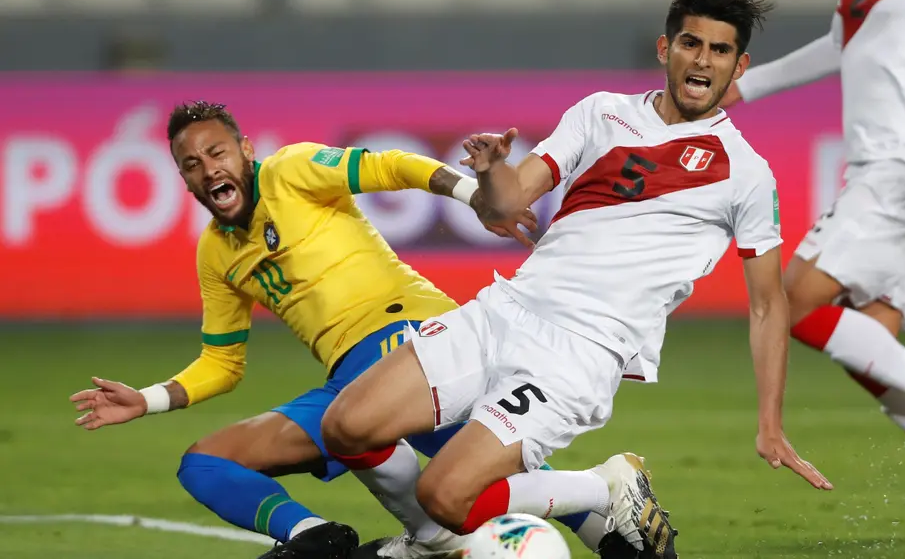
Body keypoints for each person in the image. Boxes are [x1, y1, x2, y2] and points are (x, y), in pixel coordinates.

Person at [316, 0, 833, 558]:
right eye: (691, 43)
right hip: (505, 310)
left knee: (447, 494)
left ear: (739, 68)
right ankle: (434, 547)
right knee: (346, 426)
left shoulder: (745, 172)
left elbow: (768, 302)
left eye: (720, 51)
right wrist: (491, 169)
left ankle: (603, 488)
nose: (703, 60)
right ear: (666, 49)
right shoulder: (600, 113)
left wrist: (770, 422)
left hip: (577, 354)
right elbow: (509, 203)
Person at [68, 101, 601, 559]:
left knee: (469, 449)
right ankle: (317, 539)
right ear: (182, 178)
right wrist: (148, 399)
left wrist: (473, 196)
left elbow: (392, 167)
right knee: (205, 464)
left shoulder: (292, 170)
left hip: (411, 331)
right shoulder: (216, 253)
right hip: (347, 380)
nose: (209, 170)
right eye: (192, 164)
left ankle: (584, 513)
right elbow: (222, 364)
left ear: (245, 150)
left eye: (217, 154)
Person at [721, 0, 905, 538]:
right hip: (878, 171)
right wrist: (743, 87)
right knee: (875, 355)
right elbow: (835, 48)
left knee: (791, 302)